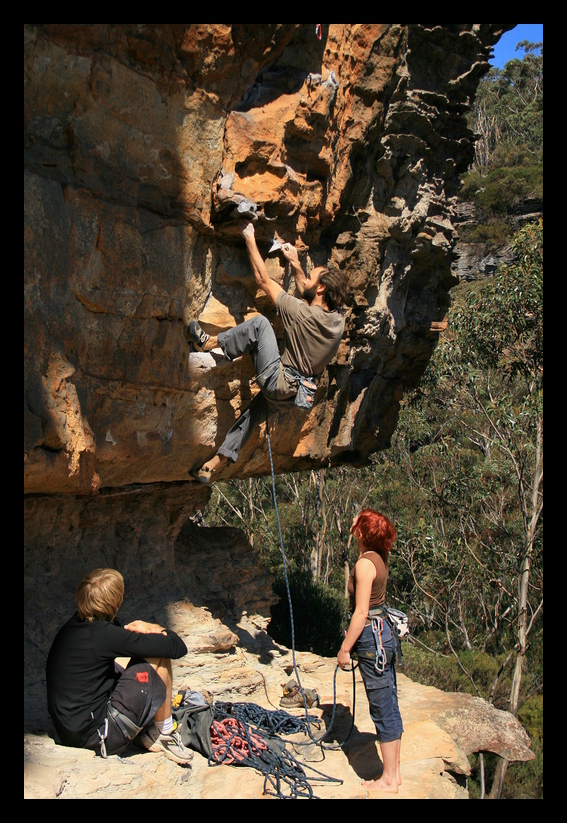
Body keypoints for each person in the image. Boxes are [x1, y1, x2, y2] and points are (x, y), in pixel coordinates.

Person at [187, 221, 347, 483]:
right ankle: (213, 464)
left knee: (260, 324)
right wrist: (295, 264)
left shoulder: (302, 314)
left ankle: (207, 343)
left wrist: (249, 236)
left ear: (321, 289)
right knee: (252, 416)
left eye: (311, 276)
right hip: (295, 395)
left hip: (278, 379)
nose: (306, 279)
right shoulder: (337, 322)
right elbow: (306, 293)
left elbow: (263, 280)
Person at [46, 568, 193, 765]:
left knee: (124, 660)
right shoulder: (104, 636)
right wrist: (156, 629)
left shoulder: (73, 627)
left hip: (68, 732)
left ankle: (151, 726)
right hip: (99, 738)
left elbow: (116, 635)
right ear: (115, 602)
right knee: (158, 655)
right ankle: (164, 733)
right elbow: (176, 647)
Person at [337, 509, 403, 793]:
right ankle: (394, 773)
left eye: (356, 521)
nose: (351, 522)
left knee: (381, 708)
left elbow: (361, 612)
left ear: (361, 533)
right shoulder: (380, 557)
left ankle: (388, 779)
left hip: (370, 638)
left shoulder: (365, 564)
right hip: (384, 633)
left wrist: (344, 648)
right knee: (389, 702)